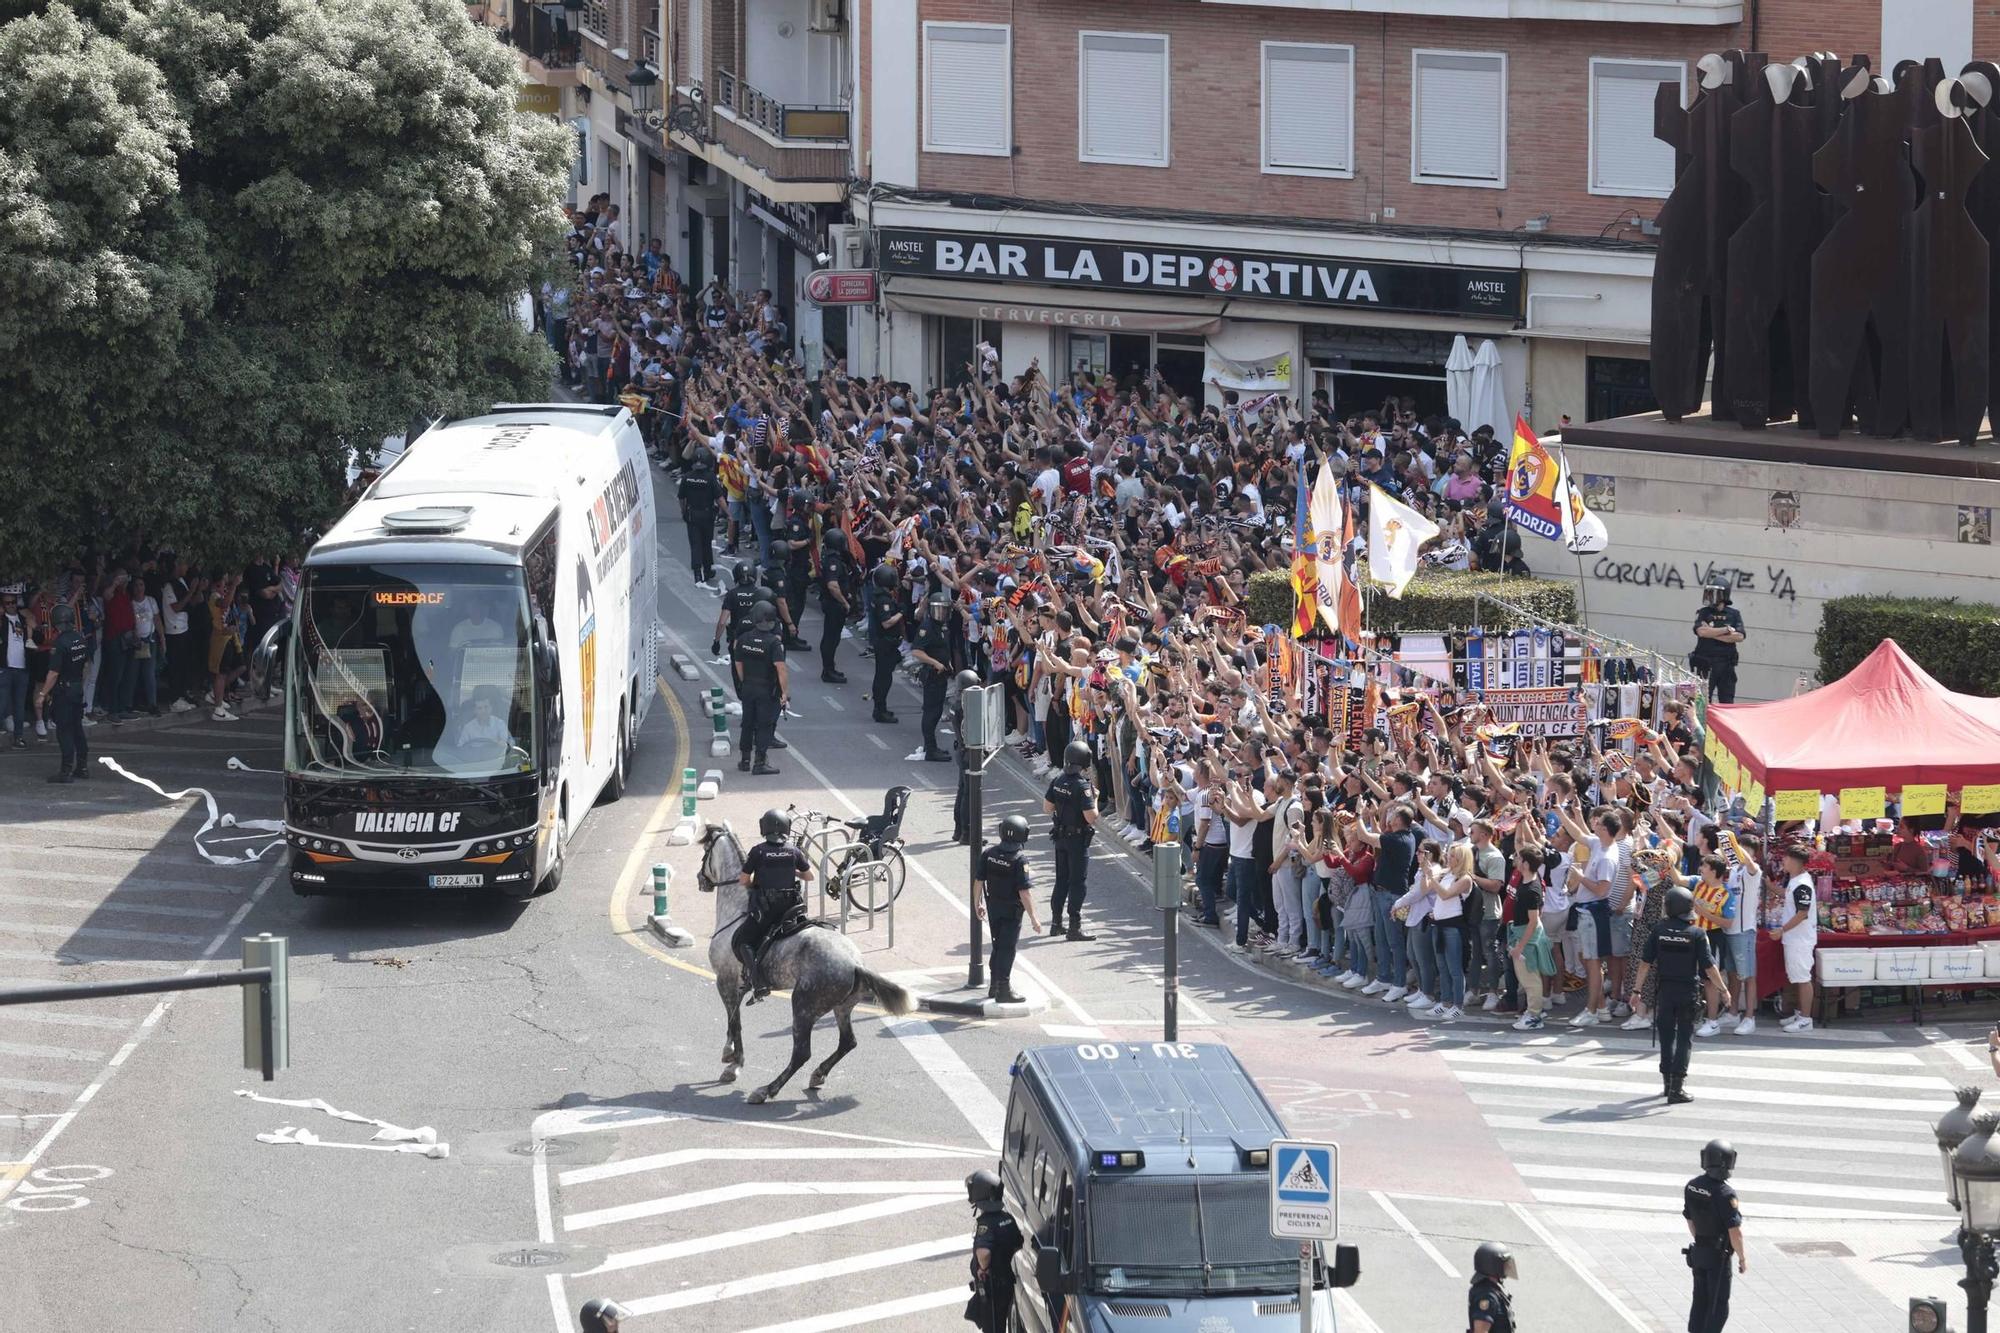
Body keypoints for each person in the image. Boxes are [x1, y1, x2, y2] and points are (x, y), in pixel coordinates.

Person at [1632, 885, 1730, 1104]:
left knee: (1666, 1038)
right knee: (1684, 1039)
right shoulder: (1696, 933)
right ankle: (1677, 1089)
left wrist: (1636, 991)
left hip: (1665, 992)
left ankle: (1667, 1085)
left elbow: (1645, 964)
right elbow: (1709, 967)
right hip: (1687, 993)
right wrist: (1724, 990)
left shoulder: (1658, 930)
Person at [735, 808, 814, 1000]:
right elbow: (809, 876)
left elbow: (744, 881)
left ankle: (758, 982)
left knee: (742, 940)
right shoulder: (794, 851)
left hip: (767, 909)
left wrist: (758, 881)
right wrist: (792, 871)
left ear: (765, 828)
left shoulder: (758, 851)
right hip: (790, 909)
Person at [974, 815, 1040, 1004]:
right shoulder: (1020, 859)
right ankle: (1003, 989)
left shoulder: (989, 853)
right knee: (1007, 949)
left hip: (993, 907)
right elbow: (1024, 893)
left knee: (997, 946)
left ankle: (994, 985)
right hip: (1012, 911)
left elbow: (979, 881)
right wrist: (1034, 918)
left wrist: (977, 903)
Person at [1683, 1139, 1745, 1332]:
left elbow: (1690, 1220)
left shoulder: (1692, 1186)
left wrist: (1701, 1239)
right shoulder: (1725, 1193)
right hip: (1718, 1258)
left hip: (1699, 1252)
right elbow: (1735, 1232)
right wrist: (1742, 1258)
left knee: (1700, 1300)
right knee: (1717, 1305)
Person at [1044, 739, 1099, 941]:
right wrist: (1094, 799)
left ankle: (1056, 923)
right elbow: (1091, 817)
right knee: (1078, 883)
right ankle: (1074, 927)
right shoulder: (1082, 786)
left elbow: (1047, 808)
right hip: (1077, 840)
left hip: (1060, 838)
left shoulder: (1057, 781)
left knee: (1061, 881)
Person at [35, 602, 90, 783]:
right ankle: (82, 766)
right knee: (77, 729)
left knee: (64, 730)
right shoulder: (80, 639)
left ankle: (65, 771)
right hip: (76, 688)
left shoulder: (60, 643)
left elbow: (53, 673)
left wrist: (42, 695)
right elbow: (85, 666)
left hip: (64, 691)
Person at [730, 602, 786, 776]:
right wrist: (784, 692)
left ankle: (745, 760)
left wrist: (744, 681)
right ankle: (760, 762)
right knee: (763, 725)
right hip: (766, 689)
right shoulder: (773, 643)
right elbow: (781, 668)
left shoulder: (744, 639)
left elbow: (738, 662)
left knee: (747, 723)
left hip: (748, 687)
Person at [965, 1168, 1022, 1333]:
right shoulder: (1008, 1219)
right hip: (1007, 1282)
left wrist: (983, 1269)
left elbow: (984, 1253)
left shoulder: (986, 1223)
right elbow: (1018, 1244)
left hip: (992, 1287)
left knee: (992, 1328)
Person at [1769, 844, 1817, 1032]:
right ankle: (1799, 1013)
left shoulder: (1802, 884)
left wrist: (1782, 930)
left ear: (1794, 861)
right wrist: (1770, 886)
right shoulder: (1795, 881)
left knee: (1803, 978)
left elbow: (1802, 913)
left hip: (1800, 939)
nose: (1783, 862)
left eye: (1786, 858)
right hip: (1794, 939)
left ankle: (1806, 1019)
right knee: (1797, 977)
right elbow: (1788, 896)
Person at [911, 593, 954, 762]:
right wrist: (935, 663)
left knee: (936, 712)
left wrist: (947, 662)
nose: (941, 614)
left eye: (944, 610)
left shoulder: (942, 626)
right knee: (931, 712)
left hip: (942, 675)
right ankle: (930, 749)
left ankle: (932, 746)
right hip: (932, 675)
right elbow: (916, 651)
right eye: (938, 610)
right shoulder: (927, 627)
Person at [1689, 578, 1746, 704]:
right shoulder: (1704, 612)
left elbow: (1739, 636)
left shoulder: (1734, 614)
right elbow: (1701, 632)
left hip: (1726, 665)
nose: (1711, 597)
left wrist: (1712, 632)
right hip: (1705, 665)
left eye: (1715, 593)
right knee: (1702, 701)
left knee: (1727, 701)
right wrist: (1726, 630)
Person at [866, 564, 904, 724]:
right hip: (885, 643)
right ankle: (880, 710)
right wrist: (901, 612)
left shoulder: (879, 595)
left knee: (882, 676)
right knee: (883, 678)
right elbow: (887, 623)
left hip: (883, 642)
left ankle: (881, 708)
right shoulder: (883, 600)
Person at [678, 449, 721, 588]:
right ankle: (707, 570)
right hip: (707, 515)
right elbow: (719, 498)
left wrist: (684, 511)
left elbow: (681, 497)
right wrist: (728, 513)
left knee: (695, 544)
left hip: (692, 515)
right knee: (706, 543)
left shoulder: (687, 477)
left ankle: (697, 573)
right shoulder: (710, 477)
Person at [817, 531, 852, 684]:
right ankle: (828, 670)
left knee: (833, 637)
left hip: (832, 603)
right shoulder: (833, 561)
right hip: (834, 604)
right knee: (831, 638)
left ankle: (830, 668)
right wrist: (844, 602)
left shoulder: (830, 557)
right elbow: (832, 585)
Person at [1467, 1239, 1517, 1333]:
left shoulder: (1492, 1290)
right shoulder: (1486, 1295)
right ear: (1494, 1265)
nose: (1507, 1267)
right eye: (1504, 1264)